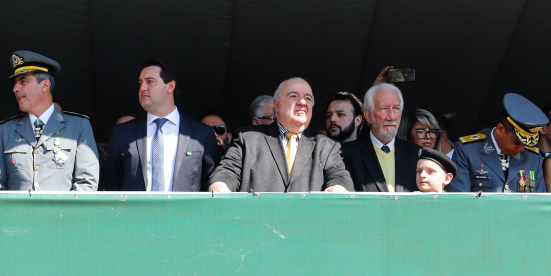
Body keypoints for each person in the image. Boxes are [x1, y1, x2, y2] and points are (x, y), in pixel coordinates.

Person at [208, 77, 351, 193]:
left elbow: (339, 176)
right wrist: (220, 186)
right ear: (276, 106)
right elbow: (228, 171)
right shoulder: (249, 138)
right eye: (293, 96)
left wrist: (338, 188)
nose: (302, 102)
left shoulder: (326, 146)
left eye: (308, 98)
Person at [103, 59, 219, 191]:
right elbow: (111, 184)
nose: (142, 88)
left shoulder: (201, 133)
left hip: (185, 211)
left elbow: (212, 182)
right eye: (140, 82)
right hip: (135, 211)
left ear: (170, 86)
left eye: (150, 81)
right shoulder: (123, 132)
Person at [0, 51, 99, 191]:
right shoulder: (5, 130)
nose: (15, 89)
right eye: (15, 83)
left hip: (62, 213)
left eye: (23, 81)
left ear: (45, 85)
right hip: (18, 213)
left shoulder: (78, 126)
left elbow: (86, 183)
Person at [448, 93, 547, 193]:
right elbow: (459, 199)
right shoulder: (468, 150)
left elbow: (538, 203)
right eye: (517, 142)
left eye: (526, 144)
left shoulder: (533, 158)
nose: (522, 149)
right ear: (500, 129)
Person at [341, 83, 420, 192]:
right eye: (384, 108)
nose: (391, 116)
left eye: (396, 108)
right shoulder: (348, 154)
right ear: (368, 116)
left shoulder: (415, 153)